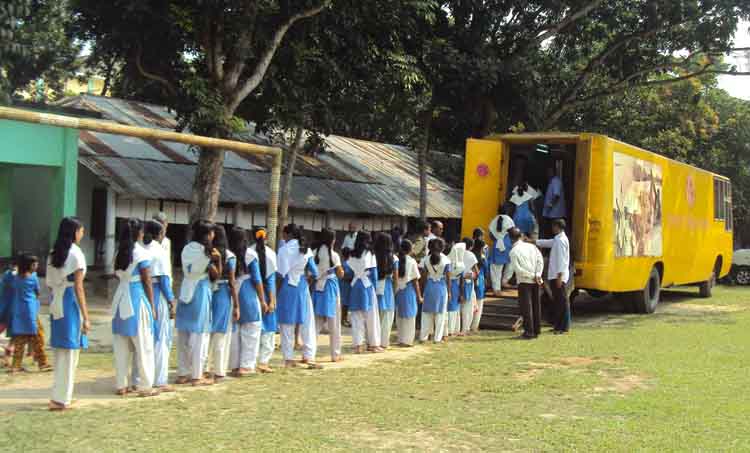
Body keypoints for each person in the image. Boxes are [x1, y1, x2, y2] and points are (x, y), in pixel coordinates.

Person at [46, 217, 90, 411]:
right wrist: (86, 316)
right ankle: (62, 399)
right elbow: (79, 288)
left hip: (57, 299)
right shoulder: (76, 254)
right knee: (70, 352)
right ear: (74, 232)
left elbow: (50, 283)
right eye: (80, 230)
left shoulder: (53, 254)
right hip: (70, 301)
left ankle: (60, 395)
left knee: (61, 352)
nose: (82, 234)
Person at [111, 218, 157, 397]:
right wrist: (152, 305)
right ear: (139, 233)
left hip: (120, 298)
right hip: (137, 300)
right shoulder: (141, 253)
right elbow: (147, 281)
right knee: (144, 345)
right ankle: (146, 386)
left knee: (121, 346)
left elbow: (117, 275)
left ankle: (121, 385)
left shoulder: (119, 253)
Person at [176, 220, 221, 386]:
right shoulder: (207, 252)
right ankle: (196, 375)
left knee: (184, 335)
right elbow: (215, 275)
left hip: (186, 289)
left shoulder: (187, 248)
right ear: (208, 235)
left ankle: (183, 373)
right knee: (200, 335)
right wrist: (218, 259)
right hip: (200, 291)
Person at [276, 224, 321, 369]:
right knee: (307, 321)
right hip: (302, 286)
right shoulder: (305, 249)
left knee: (286, 323)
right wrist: (307, 281)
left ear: (288, 234)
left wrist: (275, 293)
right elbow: (314, 272)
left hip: (287, 286)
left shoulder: (284, 250)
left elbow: (280, 274)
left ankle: (288, 358)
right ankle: (309, 355)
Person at [141, 220, 177, 393]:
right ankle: (160, 379)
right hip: (158, 294)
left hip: (141, 292)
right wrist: (171, 300)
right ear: (160, 234)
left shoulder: (139, 248)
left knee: (144, 337)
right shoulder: (159, 251)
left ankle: (140, 377)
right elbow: (163, 279)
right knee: (161, 338)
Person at [229, 226, 267, 376]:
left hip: (231, 292)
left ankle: (234, 365)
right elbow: (257, 279)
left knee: (234, 332)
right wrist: (262, 300)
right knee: (251, 331)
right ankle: (246, 366)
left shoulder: (227, 253)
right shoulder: (250, 254)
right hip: (248, 293)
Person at [8, 254, 50, 372]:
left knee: (20, 339)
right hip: (30, 312)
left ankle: (16, 365)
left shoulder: (15, 279)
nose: (37, 266)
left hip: (18, 312)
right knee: (38, 337)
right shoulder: (33, 278)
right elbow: (37, 293)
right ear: (30, 266)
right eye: (35, 264)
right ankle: (43, 363)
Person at [208, 226, 239, 381]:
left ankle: (204, 368)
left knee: (207, 332)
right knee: (222, 333)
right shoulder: (229, 256)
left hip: (209, 291)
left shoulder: (208, 253)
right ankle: (219, 371)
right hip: (223, 293)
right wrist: (237, 305)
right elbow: (232, 281)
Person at [503, 228, 544, 339]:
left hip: (525, 281)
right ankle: (536, 330)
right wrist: (538, 274)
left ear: (510, 239)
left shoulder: (513, 251)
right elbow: (540, 260)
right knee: (536, 305)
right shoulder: (531, 246)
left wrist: (532, 276)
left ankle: (529, 332)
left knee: (527, 307)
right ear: (520, 236)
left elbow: (518, 270)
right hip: (535, 279)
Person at [346, 231, 382, 353]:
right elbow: (374, 274)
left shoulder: (352, 254)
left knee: (356, 317)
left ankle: (358, 345)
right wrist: (375, 288)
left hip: (356, 285)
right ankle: (373, 344)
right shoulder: (370, 254)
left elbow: (349, 272)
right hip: (367, 285)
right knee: (371, 317)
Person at [312, 228, 344, 362]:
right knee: (334, 323)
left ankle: (309, 353)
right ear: (332, 240)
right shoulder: (334, 255)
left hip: (318, 288)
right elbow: (340, 273)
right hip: (330, 288)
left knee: (316, 323)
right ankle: (335, 354)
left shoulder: (315, 253)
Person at [535, 218, 571, 334]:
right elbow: (547, 242)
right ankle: (558, 325)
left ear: (557, 227)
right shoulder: (558, 239)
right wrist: (533, 241)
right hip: (555, 275)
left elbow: (562, 260)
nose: (552, 228)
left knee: (562, 302)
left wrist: (559, 276)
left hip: (558, 275)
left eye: (553, 226)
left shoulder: (560, 241)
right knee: (558, 301)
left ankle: (563, 327)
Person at [251, 227, 277, 373]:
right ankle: (263, 362)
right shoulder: (271, 254)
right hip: (267, 293)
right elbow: (271, 279)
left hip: (251, 293)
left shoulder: (248, 251)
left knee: (253, 330)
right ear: (266, 237)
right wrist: (271, 301)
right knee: (268, 330)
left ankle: (251, 361)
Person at [419, 238, 451, 343]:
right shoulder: (446, 260)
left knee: (426, 313)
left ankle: (423, 337)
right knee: (440, 314)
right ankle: (437, 338)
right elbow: (448, 278)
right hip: (441, 287)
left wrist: (422, 291)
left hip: (429, 287)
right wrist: (449, 292)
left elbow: (423, 277)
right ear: (442, 247)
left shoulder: (425, 259)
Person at [374, 232, 398, 349]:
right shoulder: (393, 258)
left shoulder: (373, 256)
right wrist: (395, 290)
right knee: (388, 316)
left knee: (376, 315)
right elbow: (396, 278)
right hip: (388, 286)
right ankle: (384, 342)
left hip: (376, 286)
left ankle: (373, 341)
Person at [395, 239, 421, 346]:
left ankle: (401, 339)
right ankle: (407, 340)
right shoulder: (412, 261)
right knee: (410, 316)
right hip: (409, 289)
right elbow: (415, 280)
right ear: (410, 249)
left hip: (399, 290)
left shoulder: (397, 259)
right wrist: (419, 295)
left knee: (400, 315)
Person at [487, 205, 515, 295]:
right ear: (507, 211)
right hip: (507, 244)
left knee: (496, 268)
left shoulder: (493, 220)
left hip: (497, 246)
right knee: (511, 263)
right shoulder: (509, 219)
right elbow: (513, 232)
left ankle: (496, 289)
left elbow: (491, 235)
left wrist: (497, 239)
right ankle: (505, 281)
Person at [445, 239, 465, 338]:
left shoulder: (446, 261)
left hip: (446, 285)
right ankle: (452, 329)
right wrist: (462, 293)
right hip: (454, 286)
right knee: (453, 309)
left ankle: (449, 329)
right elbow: (462, 281)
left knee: (450, 308)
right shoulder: (460, 265)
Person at [459, 238, 479, 336]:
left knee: (458, 306)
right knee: (468, 306)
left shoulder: (457, 253)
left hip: (456, 281)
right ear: (471, 246)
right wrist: (473, 276)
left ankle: (457, 328)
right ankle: (465, 329)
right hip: (468, 282)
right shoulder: (471, 255)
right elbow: (477, 271)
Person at [470, 239, 489, 333]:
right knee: (479, 304)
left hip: (470, 280)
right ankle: (474, 326)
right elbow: (486, 270)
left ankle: (467, 324)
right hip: (480, 280)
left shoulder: (470, 255)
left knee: (470, 304)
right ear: (482, 248)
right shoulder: (483, 257)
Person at [0, 261, 17, 368]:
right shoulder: (12, 276)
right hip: (9, 308)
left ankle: (8, 355)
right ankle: (8, 354)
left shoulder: (6, 276)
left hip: (6, 307)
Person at [542, 165, 567, 237]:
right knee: (550, 233)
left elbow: (557, 195)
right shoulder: (551, 181)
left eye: (549, 171)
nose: (548, 173)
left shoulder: (556, 181)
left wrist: (551, 205)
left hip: (555, 214)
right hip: (551, 214)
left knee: (554, 233)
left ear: (553, 172)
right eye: (547, 172)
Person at [152, 212, 173, 279]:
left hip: (166, 276)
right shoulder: (149, 241)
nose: (164, 226)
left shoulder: (167, 241)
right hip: (153, 277)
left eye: (165, 223)